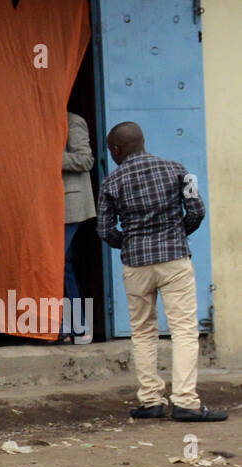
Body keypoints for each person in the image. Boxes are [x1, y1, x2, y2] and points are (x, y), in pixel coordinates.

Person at [97, 121, 225, 422]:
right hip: (175, 261)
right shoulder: (178, 169)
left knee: (143, 332)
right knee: (183, 330)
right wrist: (177, 236)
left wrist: (129, 244)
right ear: (143, 141)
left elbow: (104, 229)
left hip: (136, 266)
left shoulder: (110, 183)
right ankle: (185, 401)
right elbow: (197, 210)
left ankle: (151, 401)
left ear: (116, 150)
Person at [62, 111, 96, 342]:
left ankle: (77, 326)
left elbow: (86, 160)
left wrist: (50, 155)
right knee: (63, 264)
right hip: (49, 203)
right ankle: (75, 326)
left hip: (70, 202)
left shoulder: (73, 121)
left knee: (58, 263)